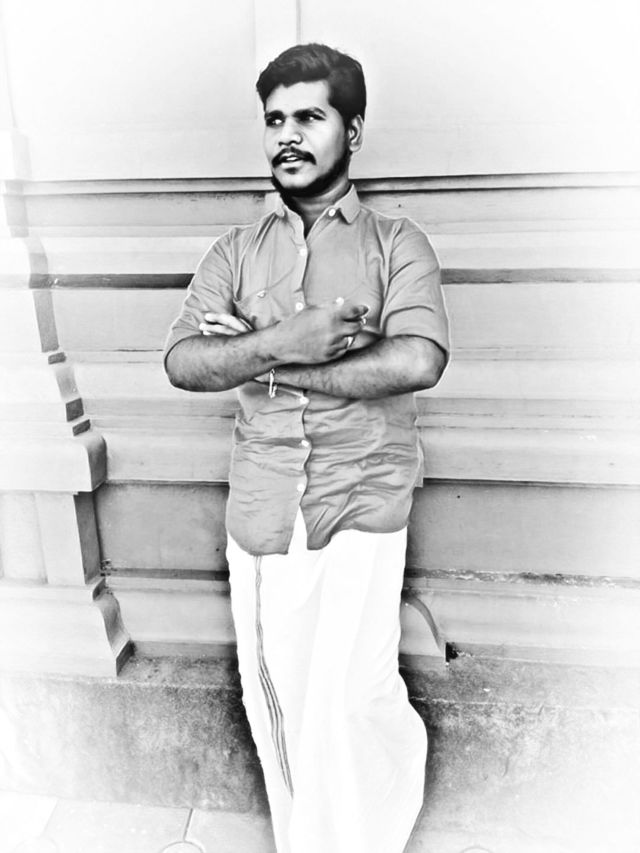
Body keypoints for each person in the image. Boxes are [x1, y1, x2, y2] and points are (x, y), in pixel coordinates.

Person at [163, 43, 449, 853]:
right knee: (280, 701)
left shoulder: (397, 243)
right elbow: (183, 359)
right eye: (275, 120)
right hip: (265, 509)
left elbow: (417, 360)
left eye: (309, 117)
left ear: (351, 130)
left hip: (364, 499)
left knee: (351, 698)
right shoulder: (234, 251)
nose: (287, 135)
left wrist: (264, 357)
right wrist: (288, 340)